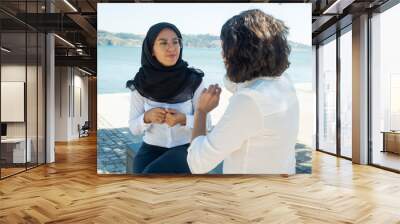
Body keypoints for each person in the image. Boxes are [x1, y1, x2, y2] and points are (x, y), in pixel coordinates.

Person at [187, 9, 299, 174]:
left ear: (239, 53)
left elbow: (197, 163)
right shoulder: (284, 81)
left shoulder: (249, 100)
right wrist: (237, 70)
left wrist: (201, 111)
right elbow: (239, 84)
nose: (222, 55)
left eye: (225, 48)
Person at [126, 22, 211, 174]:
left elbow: (208, 124)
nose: (171, 48)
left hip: (185, 147)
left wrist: (183, 119)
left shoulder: (194, 80)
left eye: (176, 42)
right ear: (152, 49)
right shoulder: (140, 83)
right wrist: (146, 117)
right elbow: (133, 128)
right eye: (163, 43)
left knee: (151, 175)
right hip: (150, 148)